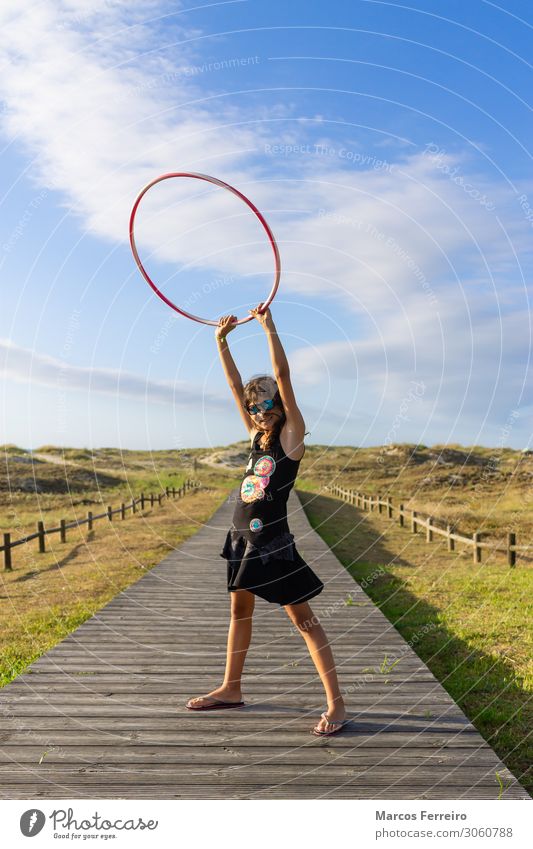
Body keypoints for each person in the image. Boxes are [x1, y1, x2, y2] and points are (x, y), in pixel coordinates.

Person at [186, 303, 347, 736]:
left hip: (272, 542)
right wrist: (221, 344)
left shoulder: (291, 438)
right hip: (240, 538)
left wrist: (269, 326)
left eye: (266, 404)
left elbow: (285, 376)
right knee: (239, 612)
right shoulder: (256, 435)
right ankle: (230, 688)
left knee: (303, 620)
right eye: (253, 407)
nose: (258, 412)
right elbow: (235, 385)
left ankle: (337, 703)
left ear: (280, 403)